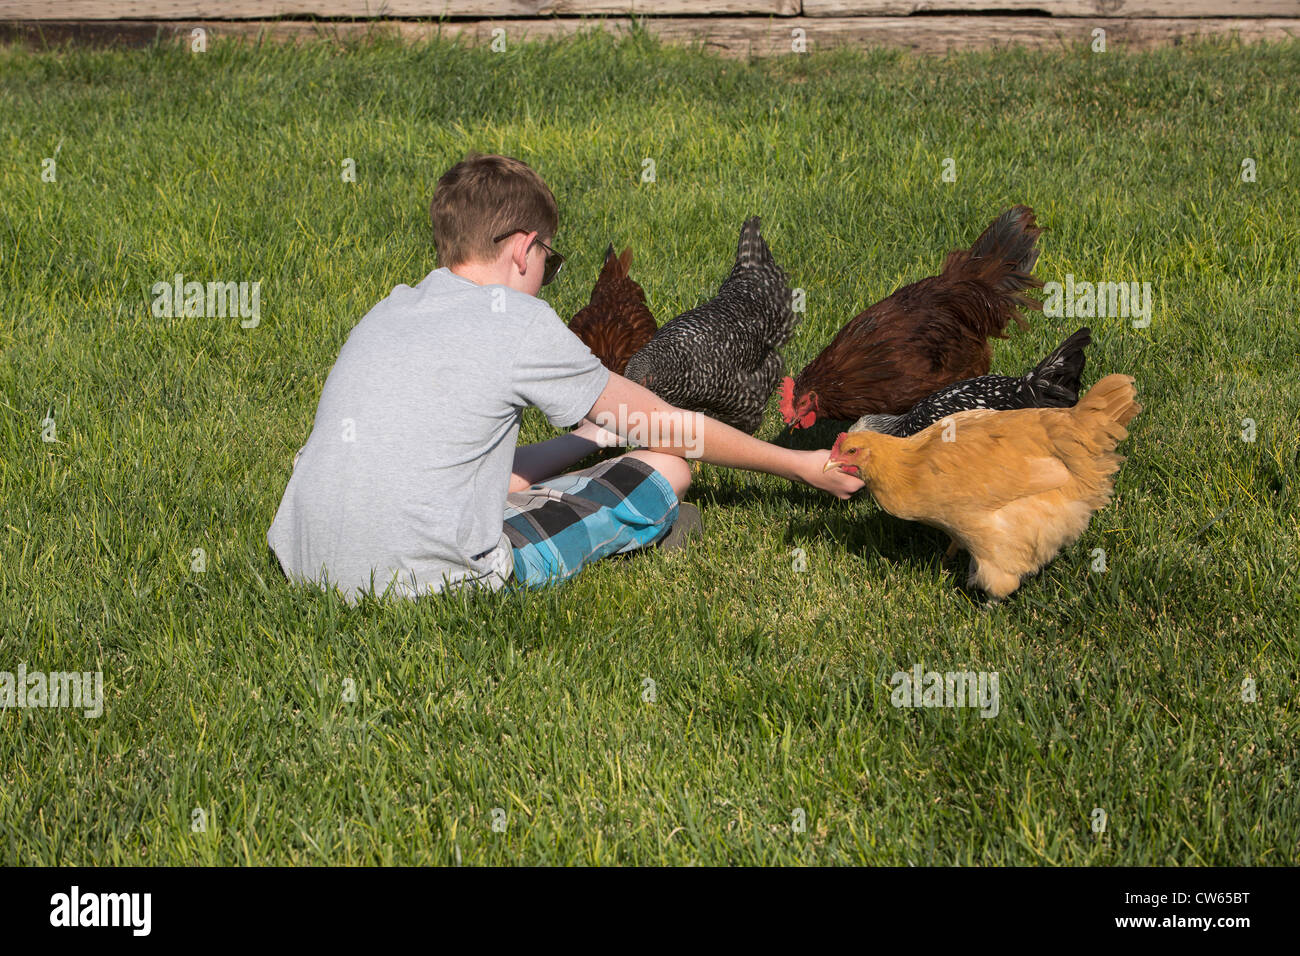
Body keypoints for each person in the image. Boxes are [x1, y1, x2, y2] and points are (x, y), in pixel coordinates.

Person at [267, 153, 863, 603]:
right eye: (551, 264)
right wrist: (801, 465)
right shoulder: (518, 321)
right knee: (667, 469)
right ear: (525, 250)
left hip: (306, 555)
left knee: (503, 478)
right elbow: (675, 430)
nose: (546, 277)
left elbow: (468, 460)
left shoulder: (391, 307)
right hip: (424, 580)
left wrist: (596, 436)